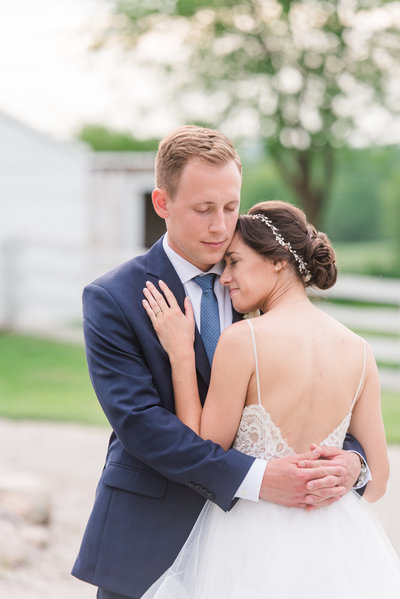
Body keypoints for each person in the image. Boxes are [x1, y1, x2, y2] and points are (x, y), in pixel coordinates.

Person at [72, 126, 367, 599]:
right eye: (204, 209)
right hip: (152, 536)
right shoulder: (114, 298)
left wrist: (353, 463)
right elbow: (141, 425)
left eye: (231, 207)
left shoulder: (259, 284)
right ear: (162, 203)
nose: (220, 226)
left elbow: (313, 392)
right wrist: (260, 480)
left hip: (257, 550)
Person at [141, 200, 400, 598]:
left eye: (234, 262)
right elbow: (378, 479)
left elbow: (203, 451)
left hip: (249, 539)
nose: (224, 278)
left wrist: (181, 355)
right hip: (337, 543)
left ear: (278, 261)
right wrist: (348, 467)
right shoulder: (360, 350)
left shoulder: (244, 341)